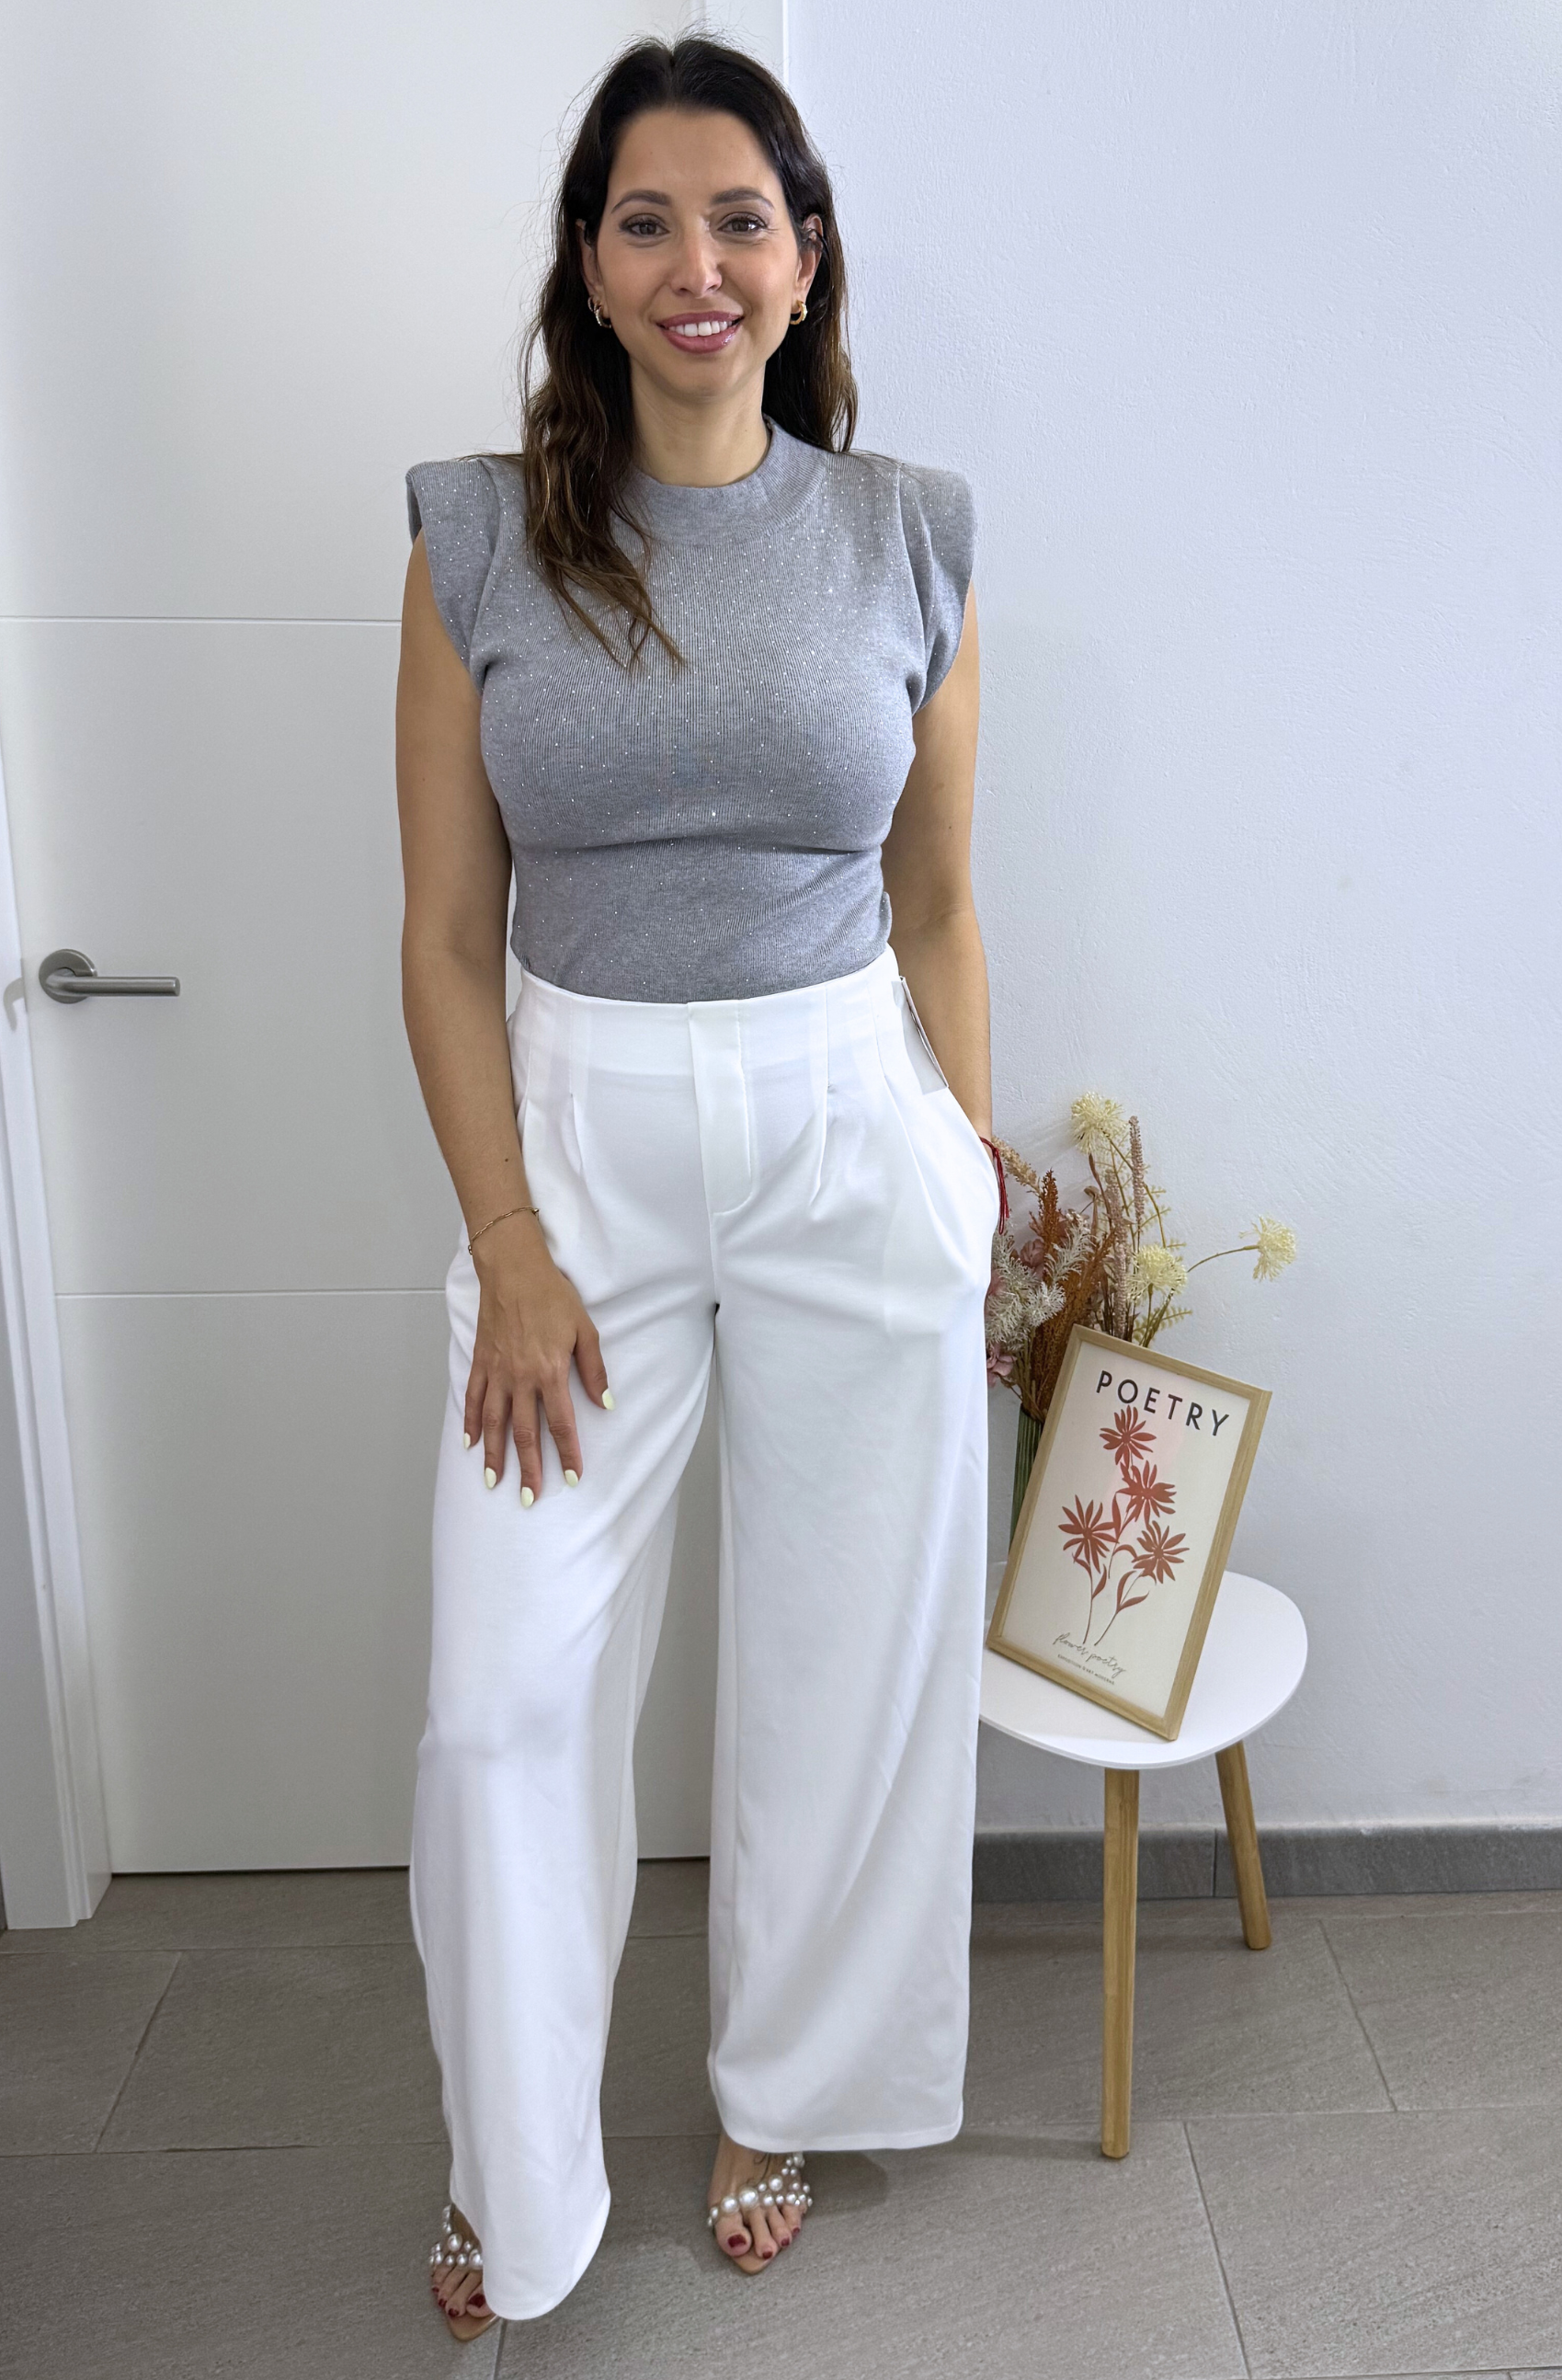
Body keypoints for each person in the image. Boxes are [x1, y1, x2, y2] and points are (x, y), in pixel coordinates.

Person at [394, 32, 1004, 2342]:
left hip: (852, 1117)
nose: (695, 265)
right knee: (503, 1700)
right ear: (588, 262)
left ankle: (782, 2091)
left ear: (804, 256)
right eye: (644, 220)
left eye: (739, 218)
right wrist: (509, 1244)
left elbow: (938, 902)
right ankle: (512, 2162)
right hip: (577, 1149)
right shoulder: (477, 534)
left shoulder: (907, 530)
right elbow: (445, 936)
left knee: (850, 1660)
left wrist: (964, 1175)